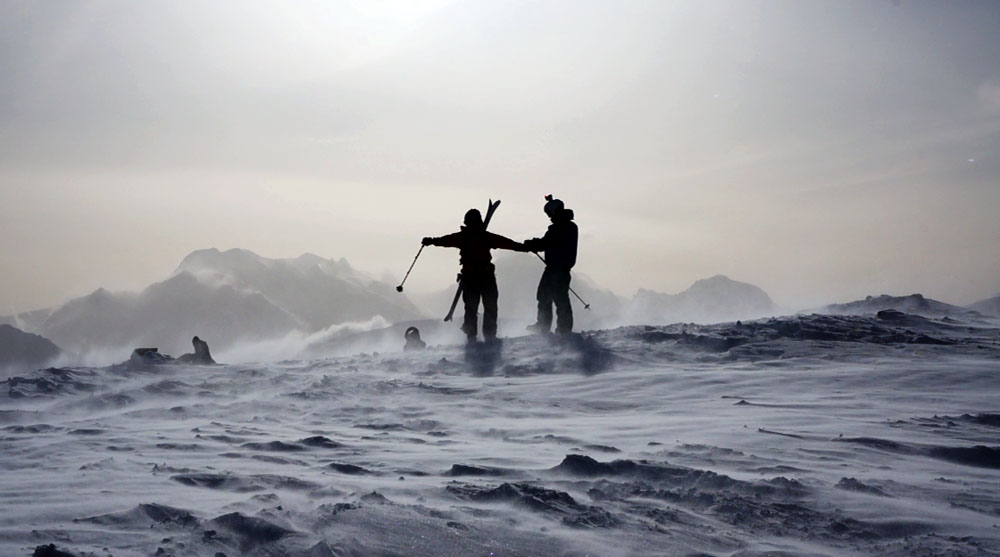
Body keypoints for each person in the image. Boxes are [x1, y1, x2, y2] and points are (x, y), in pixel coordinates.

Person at [423, 209, 528, 343]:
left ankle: (471, 336)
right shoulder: (485, 236)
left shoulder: (463, 237)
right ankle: (489, 336)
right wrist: (524, 247)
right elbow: (506, 243)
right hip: (486, 276)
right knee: (489, 306)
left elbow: (446, 240)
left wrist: (432, 241)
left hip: (471, 277)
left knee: (472, 308)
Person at [524, 195, 578, 334]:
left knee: (557, 298)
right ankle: (552, 326)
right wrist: (536, 244)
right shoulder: (567, 226)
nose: (548, 216)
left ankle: (558, 328)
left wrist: (533, 244)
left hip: (557, 268)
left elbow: (547, 242)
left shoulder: (561, 228)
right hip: (557, 268)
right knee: (547, 296)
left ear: (554, 212)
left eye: (549, 213)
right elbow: (549, 242)